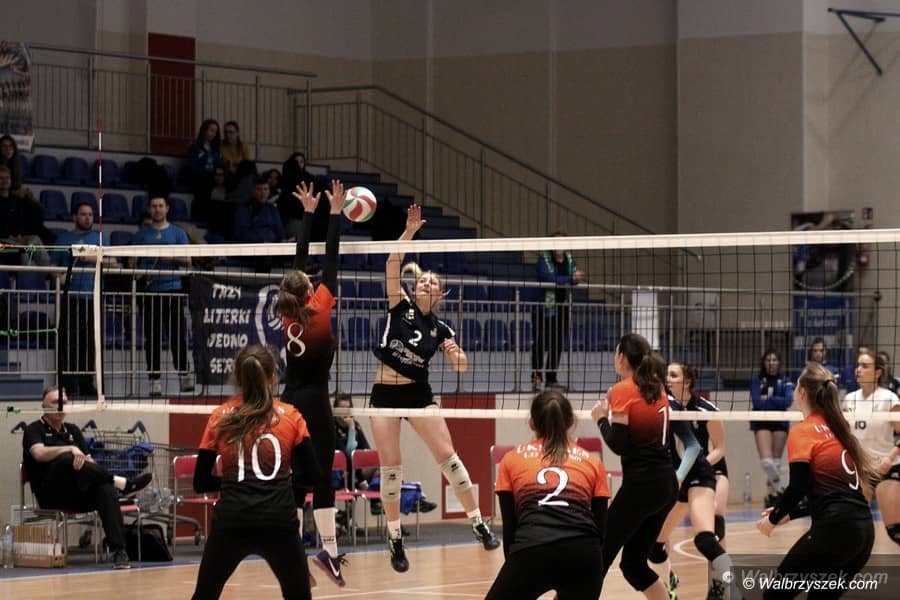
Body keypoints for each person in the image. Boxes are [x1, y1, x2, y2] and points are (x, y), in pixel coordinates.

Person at [369, 204, 500, 573]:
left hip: (418, 395)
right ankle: (395, 538)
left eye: (433, 283)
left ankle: (478, 523)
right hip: (385, 395)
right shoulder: (399, 305)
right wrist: (409, 233)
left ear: (440, 294)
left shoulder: (441, 329)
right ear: (415, 286)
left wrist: (456, 354)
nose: (426, 283)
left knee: (449, 458)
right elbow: (392, 264)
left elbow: (462, 366)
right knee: (391, 468)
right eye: (423, 280)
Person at [190, 345, 320, 600]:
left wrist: (233, 482)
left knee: (204, 596)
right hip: (279, 522)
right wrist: (283, 486)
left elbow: (200, 482)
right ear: (273, 377)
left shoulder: (220, 417)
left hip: (232, 520)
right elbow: (313, 476)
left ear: (238, 378)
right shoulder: (291, 416)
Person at [274, 178, 349, 586]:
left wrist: (308, 213)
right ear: (308, 287)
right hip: (316, 401)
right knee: (322, 477)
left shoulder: (289, 311)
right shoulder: (319, 306)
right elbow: (330, 258)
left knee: (297, 479)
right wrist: (333, 213)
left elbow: (300, 262)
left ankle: (292, 554)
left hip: (289, 401)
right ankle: (329, 553)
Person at [756, 363, 876, 598]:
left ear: (802, 393)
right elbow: (834, 496)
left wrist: (773, 518)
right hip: (863, 533)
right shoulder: (839, 430)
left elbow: (798, 487)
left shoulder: (803, 431)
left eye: (795, 386)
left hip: (835, 530)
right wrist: (790, 514)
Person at [485, 390, 609, 599]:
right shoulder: (593, 462)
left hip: (532, 550)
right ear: (571, 421)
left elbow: (510, 527)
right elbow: (601, 529)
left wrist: (517, 571)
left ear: (532, 423)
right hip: (584, 556)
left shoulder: (511, 460)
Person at [22, 387, 152, 569]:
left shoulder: (73, 430)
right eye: (55, 402)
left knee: (106, 490)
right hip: (51, 495)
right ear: (44, 405)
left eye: (64, 403)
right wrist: (70, 448)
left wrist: (83, 460)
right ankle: (123, 484)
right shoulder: (33, 429)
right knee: (67, 459)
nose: (60, 406)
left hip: (78, 493)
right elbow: (39, 453)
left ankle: (119, 551)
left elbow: (90, 462)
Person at [590, 332, 676, 600]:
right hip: (667, 486)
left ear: (623, 357)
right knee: (633, 565)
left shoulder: (623, 389)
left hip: (642, 487)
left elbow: (620, 444)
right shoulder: (656, 386)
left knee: (598, 556)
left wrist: (601, 419)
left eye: (616, 352)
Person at [650, 360, 734, 600]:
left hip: (712, 469)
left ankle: (721, 586)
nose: (668, 379)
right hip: (683, 475)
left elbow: (720, 448)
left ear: (687, 381)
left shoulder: (705, 410)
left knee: (714, 521)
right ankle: (669, 579)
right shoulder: (666, 407)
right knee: (655, 543)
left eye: (673, 375)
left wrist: (698, 467)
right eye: (667, 375)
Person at [130, 196, 193, 397]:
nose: (157, 209)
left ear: (167, 208)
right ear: (149, 209)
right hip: (149, 292)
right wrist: (139, 273)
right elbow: (132, 264)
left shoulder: (178, 233)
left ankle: (184, 375)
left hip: (172, 290)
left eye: (160, 206)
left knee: (177, 335)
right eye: (154, 206)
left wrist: (172, 257)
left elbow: (188, 259)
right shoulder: (141, 235)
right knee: (152, 337)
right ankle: (154, 380)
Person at [53, 200, 117, 397]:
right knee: (70, 339)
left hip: (92, 296)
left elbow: (112, 262)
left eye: (90, 214)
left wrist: (89, 257)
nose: (87, 218)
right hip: (70, 296)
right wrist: (61, 277)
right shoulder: (64, 239)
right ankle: (69, 382)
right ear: (74, 217)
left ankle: (87, 381)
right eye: (83, 214)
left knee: (90, 340)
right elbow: (53, 266)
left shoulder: (100, 239)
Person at [842, 349, 900, 548]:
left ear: (877, 372)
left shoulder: (889, 398)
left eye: (865, 366)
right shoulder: (850, 399)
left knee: (895, 531)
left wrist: (889, 458)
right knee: (851, 528)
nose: (858, 369)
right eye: (858, 365)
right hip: (861, 470)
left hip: (887, 468)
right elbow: (846, 436)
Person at [530, 232, 585, 391]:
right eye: (555, 242)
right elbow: (548, 279)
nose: (558, 246)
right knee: (540, 343)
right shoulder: (543, 260)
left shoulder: (570, 260)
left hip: (561, 308)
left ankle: (551, 378)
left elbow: (573, 279)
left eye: (561, 242)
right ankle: (536, 377)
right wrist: (570, 279)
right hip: (542, 307)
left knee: (557, 344)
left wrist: (576, 278)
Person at [750, 349, 793, 507]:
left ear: (779, 362)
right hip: (761, 421)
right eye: (768, 360)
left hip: (780, 421)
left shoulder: (785, 380)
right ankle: (781, 489)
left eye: (774, 360)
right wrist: (777, 401)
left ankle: (771, 496)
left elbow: (788, 401)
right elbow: (757, 402)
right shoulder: (757, 381)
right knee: (767, 462)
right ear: (764, 363)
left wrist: (768, 398)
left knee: (776, 462)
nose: (771, 363)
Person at [0, 165, 52, 266]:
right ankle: (25, 274)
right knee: (23, 247)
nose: (5, 181)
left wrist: (30, 198)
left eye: (7, 178)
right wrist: (12, 237)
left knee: (34, 239)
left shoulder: (16, 199)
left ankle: (51, 271)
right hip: (3, 239)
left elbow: (38, 215)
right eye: (1, 178)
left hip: (18, 237)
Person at [234, 178, 285, 271]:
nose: (263, 193)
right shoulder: (244, 209)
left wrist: (281, 241)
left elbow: (280, 231)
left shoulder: (272, 209)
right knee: (264, 255)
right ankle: (263, 280)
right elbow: (242, 233)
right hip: (253, 248)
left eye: (265, 189)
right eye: (259, 189)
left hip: (273, 246)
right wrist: (262, 241)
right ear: (253, 191)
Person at [186, 119, 222, 222]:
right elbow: (192, 166)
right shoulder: (195, 146)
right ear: (204, 130)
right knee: (205, 186)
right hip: (198, 177)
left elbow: (218, 164)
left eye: (215, 132)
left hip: (212, 178)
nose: (213, 134)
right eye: (211, 130)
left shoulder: (215, 149)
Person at [277, 152, 316, 240]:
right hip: (290, 218)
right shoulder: (287, 178)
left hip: (305, 216)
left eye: (301, 161)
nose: (299, 164)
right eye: (296, 161)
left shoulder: (310, 179)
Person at [0, 134, 34, 200]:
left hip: (11, 197)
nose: (8, 149)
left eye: (10, 146)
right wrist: (15, 192)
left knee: (30, 199)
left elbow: (17, 186)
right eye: (4, 146)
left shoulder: (15, 165)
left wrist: (25, 191)